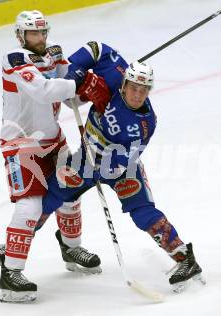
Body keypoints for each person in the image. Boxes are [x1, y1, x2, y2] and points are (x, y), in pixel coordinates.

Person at [42, 42, 205, 293]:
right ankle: (14, 252)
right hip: (86, 159)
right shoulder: (113, 75)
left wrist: (103, 159)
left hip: (119, 170)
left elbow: (126, 159)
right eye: (134, 88)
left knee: (143, 212)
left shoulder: (145, 122)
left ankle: (184, 258)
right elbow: (97, 48)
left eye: (144, 90)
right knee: (51, 195)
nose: (138, 95)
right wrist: (76, 66)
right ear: (125, 83)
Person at [0, 11, 110, 303]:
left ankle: (71, 248)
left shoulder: (53, 54)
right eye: (34, 34)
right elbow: (45, 91)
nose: (41, 38)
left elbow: (69, 93)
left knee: (70, 191)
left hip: (53, 139)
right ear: (21, 35)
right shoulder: (14, 60)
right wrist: (77, 83)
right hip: (21, 144)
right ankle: (11, 273)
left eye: (43, 32)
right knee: (30, 206)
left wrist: (87, 89)